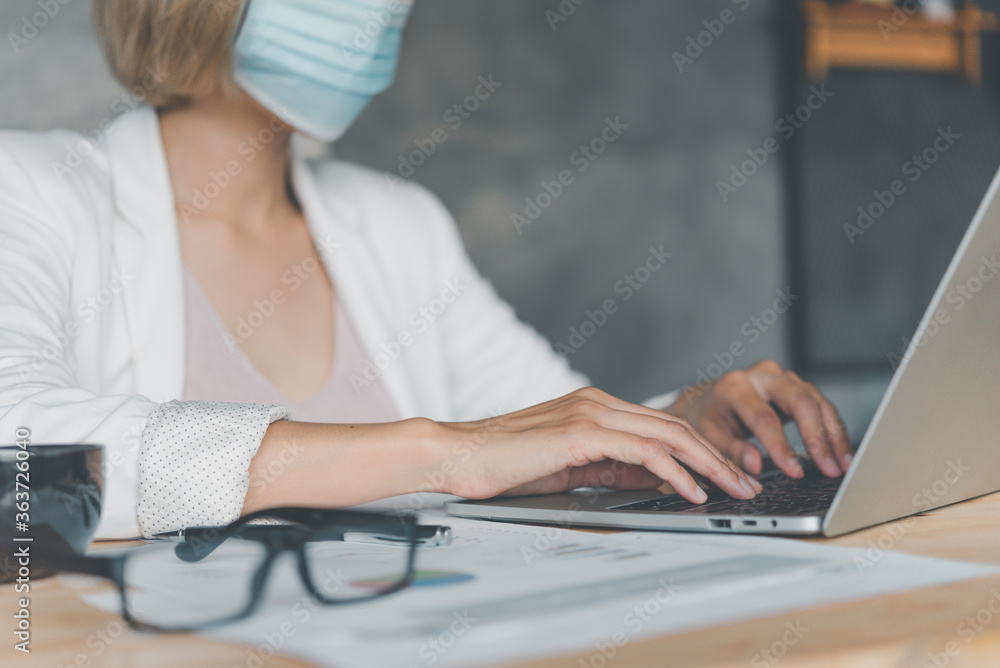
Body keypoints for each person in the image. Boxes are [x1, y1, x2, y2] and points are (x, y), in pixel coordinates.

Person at [0, 0, 852, 540]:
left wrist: (677, 424)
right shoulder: (32, 189)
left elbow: (540, 435)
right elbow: (23, 459)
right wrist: (433, 453)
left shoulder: (397, 225)